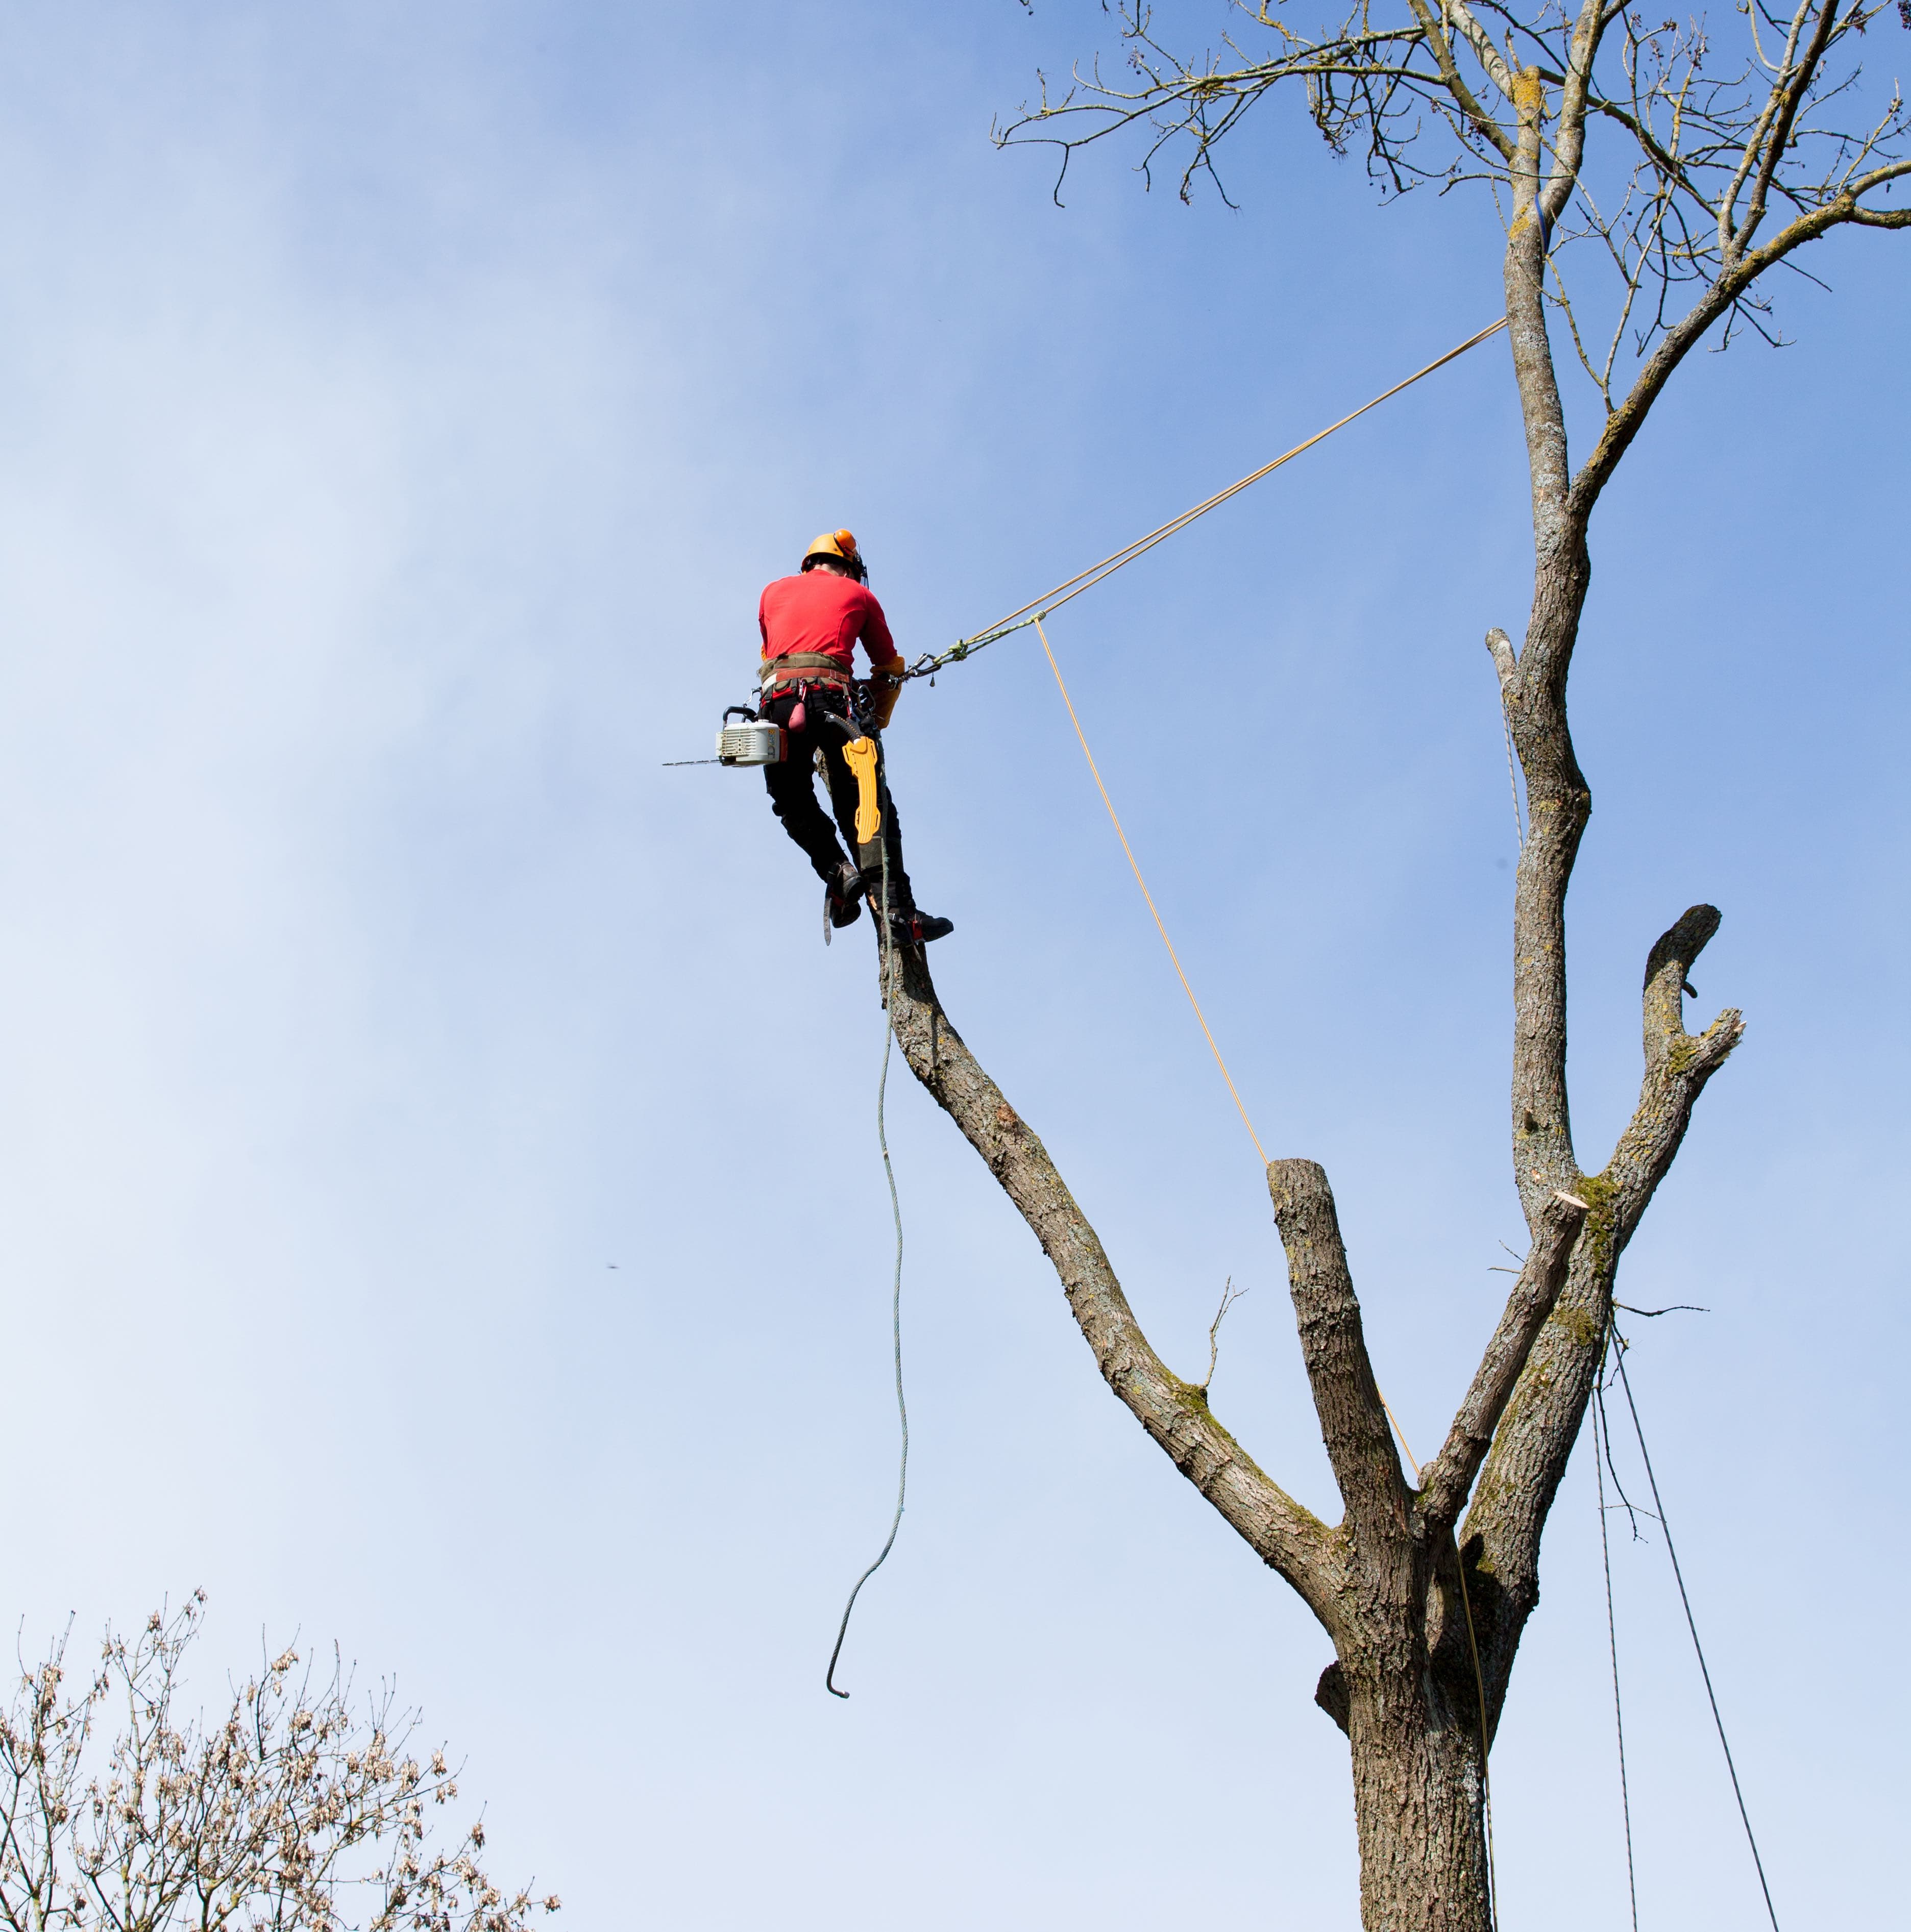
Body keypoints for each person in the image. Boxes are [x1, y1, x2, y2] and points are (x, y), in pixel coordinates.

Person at [756, 529, 953, 944]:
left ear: (809, 564)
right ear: (849, 567)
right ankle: (899, 914)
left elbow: (774, 652)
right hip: (834, 702)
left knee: (790, 799)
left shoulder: (771, 592)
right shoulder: (859, 596)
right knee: (868, 805)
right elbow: (889, 667)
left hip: (778, 701)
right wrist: (876, 719)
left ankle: (836, 871)